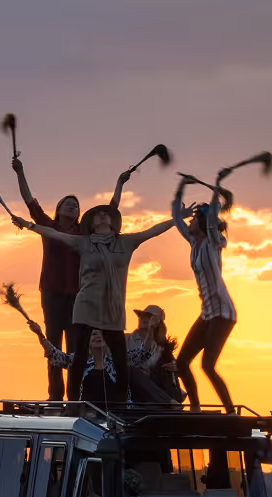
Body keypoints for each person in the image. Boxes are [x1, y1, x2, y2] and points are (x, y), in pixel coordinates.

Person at [12, 204, 174, 404]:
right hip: (85, 304)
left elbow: (153, 231)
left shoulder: (126, 242)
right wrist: (28, 224)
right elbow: (54, 234)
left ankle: (122, 407)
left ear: (113, 222)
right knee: (78, 358)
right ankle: (74, 406)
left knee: (122, 363)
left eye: (106, 213)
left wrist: (177, 218)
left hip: (113, 309)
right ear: (92, 224)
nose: (102, 215)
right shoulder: (83, 242)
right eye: (97, 215)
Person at [10, 159, 136, 400]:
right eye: (68, 204)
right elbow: (29, 200)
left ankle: (76, 396)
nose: (72, 206)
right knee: (54, 344)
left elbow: (109, 210)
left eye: (75, 206)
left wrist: (120, 183)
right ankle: (55, 395)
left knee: (77, 347)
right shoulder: (48, 225)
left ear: (80, 215)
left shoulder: (83, 235)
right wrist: (20, 171)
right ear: (59, 209)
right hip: (52, 293)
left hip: (79, 297)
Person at [171, 172, 237, 412]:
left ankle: (230, 411)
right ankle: (196, 408)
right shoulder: (193, 244)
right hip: (207, 313)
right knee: (181, 363)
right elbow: (176, 217)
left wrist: (217, 185)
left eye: (193, 220)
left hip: (223, 313)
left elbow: (211, 219)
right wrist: (180, 186)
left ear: (202, 223)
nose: (189, 223)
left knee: (207, 366)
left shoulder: (213, 241)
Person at [25, 320, 175, 405]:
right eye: (93, 334)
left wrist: (149, 332)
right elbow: (57, 357)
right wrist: (40, 335)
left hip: (117, 419)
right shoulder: (81, 362)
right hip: (89, 421)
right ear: (88, 342)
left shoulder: (119, 361)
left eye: (101, 334)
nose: (97, 336)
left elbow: (143, 353)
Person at [128, 305, 184, 403]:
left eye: (149, 317)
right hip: (135, 387)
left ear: (158, 324)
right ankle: (168, 402)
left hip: (157, 386)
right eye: (141, 316)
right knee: (133, 371)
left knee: (166, 362)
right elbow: (136, 359)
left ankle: (172, 398)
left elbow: (181, 369)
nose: (143, 319)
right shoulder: (127, 339)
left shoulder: (161, 347)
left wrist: (177, 367)